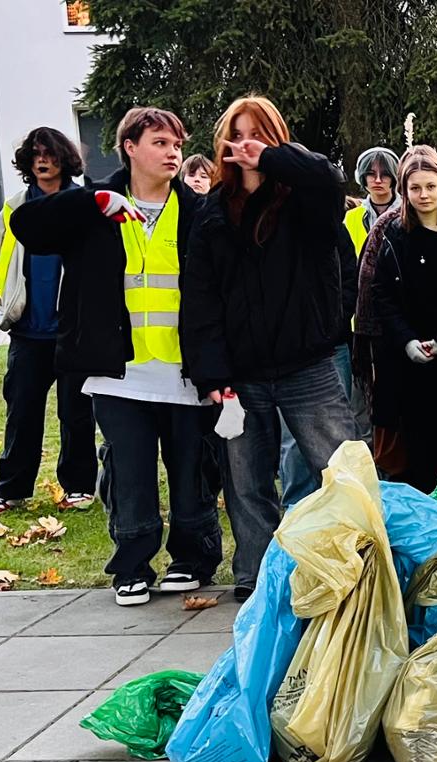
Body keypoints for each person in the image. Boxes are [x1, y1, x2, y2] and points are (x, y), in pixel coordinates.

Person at [9, 107, 219, 606]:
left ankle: (192, 559)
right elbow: (27, 225)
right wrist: (87, 203)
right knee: (129, 471)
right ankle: (131, 565)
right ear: (130, 146)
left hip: (184, 371)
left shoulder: (198, 211)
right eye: (160, 143)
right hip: (117, 373)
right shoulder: (96, 206)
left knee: (192, 470)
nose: (172, 153)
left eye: (176, 144)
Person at [181, 96, 353, 601]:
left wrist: (274, 159)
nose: (244, 144)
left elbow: (328, 178)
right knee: (245, 481)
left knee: (341, 468)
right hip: (241, 374)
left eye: (256, 133)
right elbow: (200, 300)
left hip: (308, 365)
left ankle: (362, 558)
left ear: (276, 139)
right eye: (235, 135)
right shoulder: (212, 212)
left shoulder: (305, 200)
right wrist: (211, 375)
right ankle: (255, 574)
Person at [0, 127, 98, 518]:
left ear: (64, 158)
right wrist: (7, 303)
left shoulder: (82, 203)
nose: (42, 160)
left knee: (77, 414)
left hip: (73, 330)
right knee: (22, 413)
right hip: (27, 331)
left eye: (49, 153)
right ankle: (10, 491)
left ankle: (80, 488)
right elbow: (1, 257)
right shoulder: (15, 205)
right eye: (34, 154)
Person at [358, 146, 437, 498]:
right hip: (409, 356)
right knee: (419, 439)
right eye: (415, 188)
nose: (423, 195)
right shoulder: (394, 235)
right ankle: (426, 506)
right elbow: (381, 293)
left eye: (430, 186)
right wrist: (408, 341)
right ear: (405, 192)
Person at [344, 146, 400, 258]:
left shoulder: (410, 213)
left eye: (385, 174)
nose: (378, 180)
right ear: (362, 176)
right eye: (371, 173)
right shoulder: (351, 218)